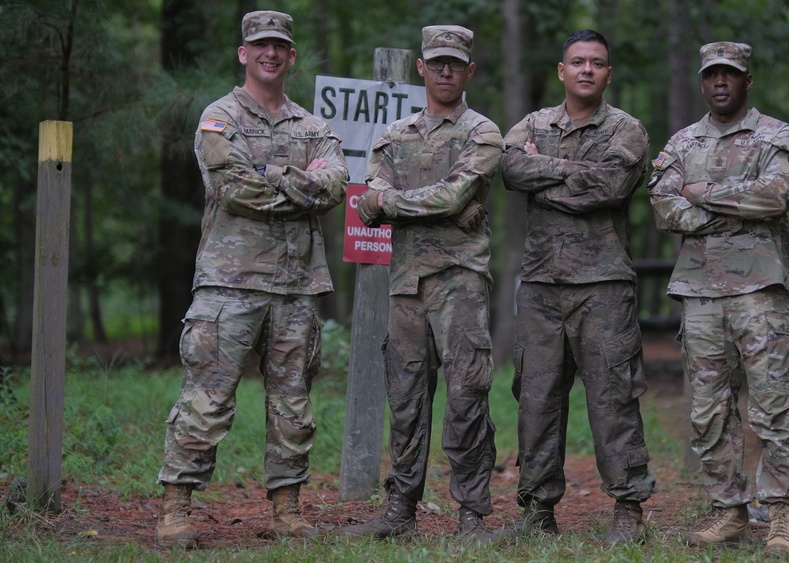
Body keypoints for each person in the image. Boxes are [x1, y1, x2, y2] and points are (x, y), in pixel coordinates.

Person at [154, 10, 349, 549]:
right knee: (207, 399)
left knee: (293, 404)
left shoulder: (312, 125)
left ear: (290, 56)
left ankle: (287, 508)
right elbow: (232, 189)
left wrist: (272, 179)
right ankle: (176, 506)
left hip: (296, 286)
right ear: (244, 53)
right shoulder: (219, 118)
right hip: (229, 284)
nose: (270, 53)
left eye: (279, 46)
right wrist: (298, 181)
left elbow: (336, 186)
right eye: (260, 45)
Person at [646, 41, 789, 555]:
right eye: (712, 75)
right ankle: (729, 512)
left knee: (773, 403)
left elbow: (774, 196)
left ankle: (782, 516)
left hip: (760, 291)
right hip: (700, 292)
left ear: (747, 81)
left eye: (731, 75)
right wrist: (731, 204)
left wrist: (701, 193)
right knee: (708, 408)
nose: (721, 82)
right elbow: (662, 206)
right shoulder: (683, 141)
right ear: (702, 82)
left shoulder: (774, 135)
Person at [340, 25, 502, 541]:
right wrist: (431, 204)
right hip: (405, 282)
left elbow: (449, 197)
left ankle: (472, 515)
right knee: (406, 397)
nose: (446, 70)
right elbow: (369, 200)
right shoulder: (393, 136)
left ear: (469, 70)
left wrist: (398, 203)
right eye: (437, 62)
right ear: (421, 68)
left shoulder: (483, 133)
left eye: (455, 62)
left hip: (460, 281)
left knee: (466, 394)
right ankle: (400, 511)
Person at [500, 29, 655, 545]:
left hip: (603, 285)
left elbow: (610, 188)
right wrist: (572, 173)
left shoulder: (627, 130)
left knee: (612, 397)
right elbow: (508, 166)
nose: (587, 69)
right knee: (537, 399)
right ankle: (537, 510)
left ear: (608, 74)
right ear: (561, 71)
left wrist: (544, 177)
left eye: (597, 63)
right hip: (542, 285)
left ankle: (629, 508)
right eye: (578, 62)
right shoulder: (533, 124)